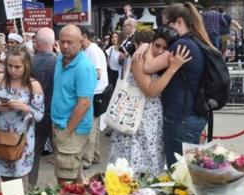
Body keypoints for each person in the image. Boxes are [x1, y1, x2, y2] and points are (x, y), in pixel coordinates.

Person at [110, 30, 191, 177]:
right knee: (132, 171)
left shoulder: (155, 61)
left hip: (151, 122)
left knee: (150, 168)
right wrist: (173, 68)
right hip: (135, 120)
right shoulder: (139, 58)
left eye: (165, 48)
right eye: (157, 45)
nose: (160, 51)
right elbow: (151, 91)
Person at [160, 2, 211, 166]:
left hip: (180, 118)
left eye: (167, 25)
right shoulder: (196, 41)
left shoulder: (182, 45)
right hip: (190, 116)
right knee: (188, 171)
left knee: (179, 173)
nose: (164, 31)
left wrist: (144, 46)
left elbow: (148, 66)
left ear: (179, 22)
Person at [0, 46, 44, 184]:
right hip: (1, 138)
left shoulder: (33, 85)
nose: (12, 70)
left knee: (18, 180)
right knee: (6, 179)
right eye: (10, 66)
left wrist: (25, 108)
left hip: (22, 141)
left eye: (17, 67)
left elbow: (39, 115)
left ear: (26, 66)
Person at [51, 24, 97, 184]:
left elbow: (83, 104)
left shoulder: (84, 67)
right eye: (62, 41)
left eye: (70, 42)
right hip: (61, 125)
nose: (65, 46)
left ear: (81, 42)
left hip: (72, 129)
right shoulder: (60, 59)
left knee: (65, 180)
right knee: (73, 176)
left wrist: (67, 131)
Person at [29, 27, 57, 186]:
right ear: (53, 44)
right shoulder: (60, 62)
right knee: (64, 158)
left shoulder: (27, 64)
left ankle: (30, 190)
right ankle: (68, 190)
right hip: (55, 117)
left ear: (37, 44)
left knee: (33, 156)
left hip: (34, 117)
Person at [80, 26, 108, 169]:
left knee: (90, 128)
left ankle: (87, 159)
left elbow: (98, 73)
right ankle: (95, 156)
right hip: (94, 92)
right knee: (94, 127)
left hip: (96, 93)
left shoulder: (94, 51)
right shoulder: (87, 50)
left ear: (84, 36)